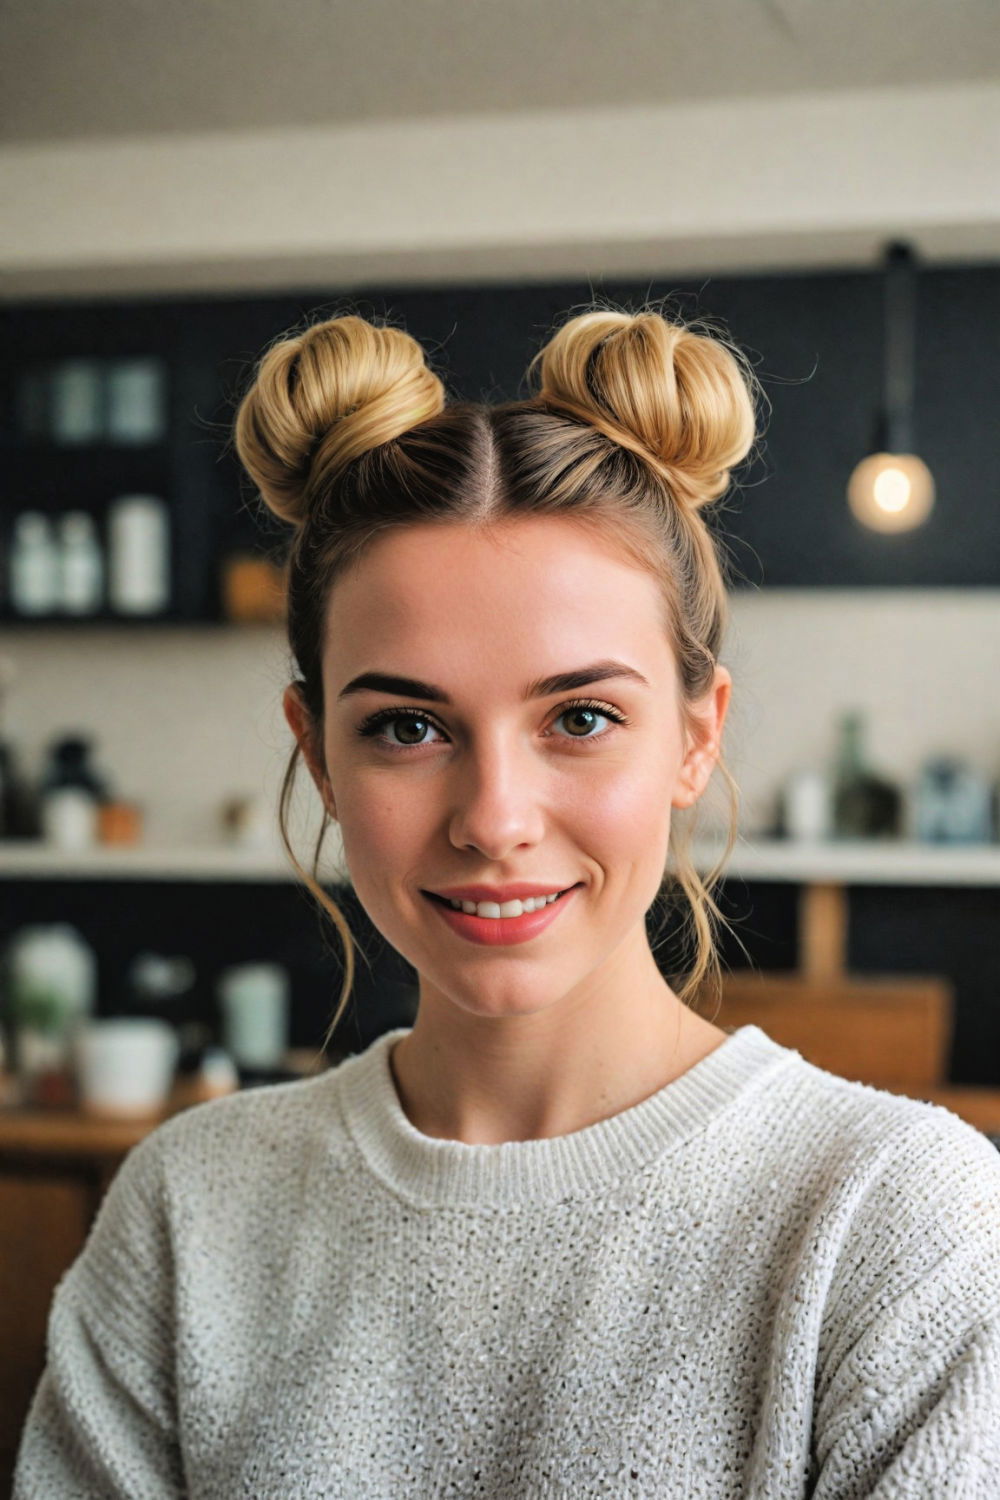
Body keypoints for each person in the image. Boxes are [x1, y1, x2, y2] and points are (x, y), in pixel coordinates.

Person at [14, 302, 1000, 1498]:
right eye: (406, 727)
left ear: (695, 737)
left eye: (579, 718)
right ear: (318, 753)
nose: (493, 817)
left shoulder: (898, 1221)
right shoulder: (189, 1212)